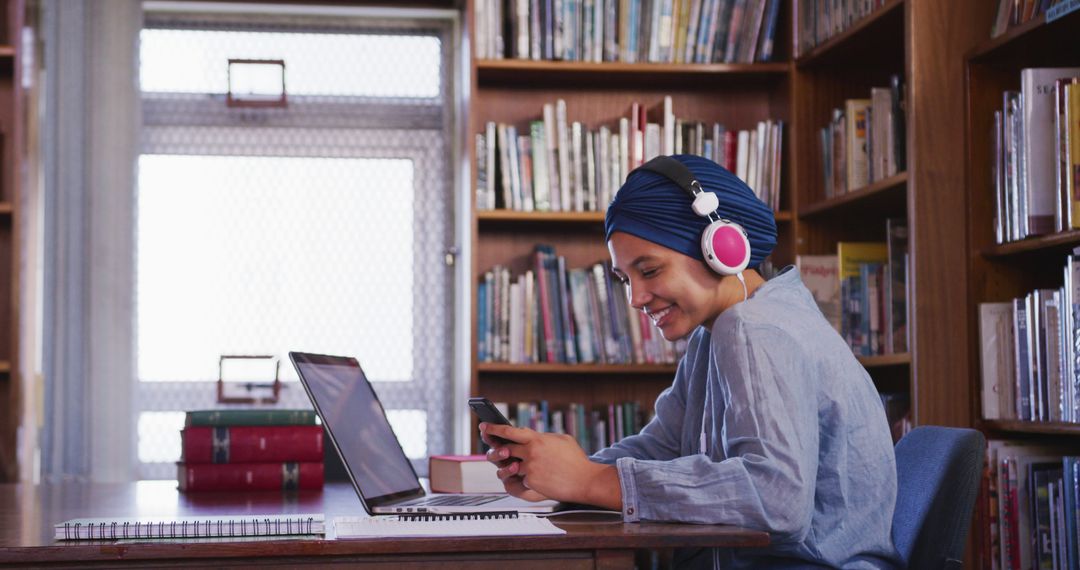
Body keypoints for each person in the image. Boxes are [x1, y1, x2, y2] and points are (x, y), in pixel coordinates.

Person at [479, 155, 901, 569]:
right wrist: (565, 475)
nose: (635, 299)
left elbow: (777, 500)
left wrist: (591, 482)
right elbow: (662, 446)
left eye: (650, 270)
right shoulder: (720, 330)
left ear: (722, 246)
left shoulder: (756, 329)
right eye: (626, 279)